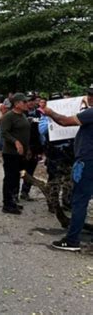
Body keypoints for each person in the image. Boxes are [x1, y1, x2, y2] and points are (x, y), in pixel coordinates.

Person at [44, 85, 93, 251]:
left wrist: (50, 112)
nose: (88, 97)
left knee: (79, 201)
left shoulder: (91, 113)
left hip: (87, 161)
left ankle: (72, 240)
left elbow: (65, 122)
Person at [0, 93, 30, 215]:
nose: (27, 104)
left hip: (21, 154)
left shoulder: (23, 115)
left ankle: (13, 201)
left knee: (17, 177)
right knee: (10, 178)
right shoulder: (9, 116)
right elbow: (4, 133)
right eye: (24, 102)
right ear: (17, 104)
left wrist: (27, 149)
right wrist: (16, 142)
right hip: (11, 153)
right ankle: (7, 204)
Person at [20, 95, 43, 201]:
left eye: (31, 101)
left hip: (36, 146)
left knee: (30, 170)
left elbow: (41, 131)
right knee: (20, 169)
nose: (29, 103)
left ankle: (25, 192)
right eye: (27, 101)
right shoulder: (21, 113)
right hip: (24, 146)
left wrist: (41, 149)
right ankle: (14, 192)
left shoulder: (39, 113)